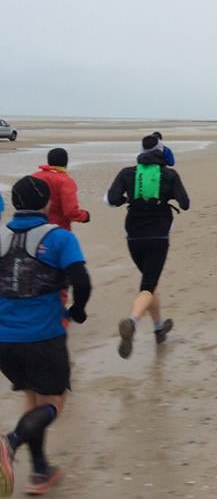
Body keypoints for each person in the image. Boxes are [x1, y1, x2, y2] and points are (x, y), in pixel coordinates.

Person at [0, 176, 92, 496]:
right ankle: (9, 441)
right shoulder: (59, 238)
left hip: (4, 341)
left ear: (15, 203)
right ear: (47, 203)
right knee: (53, 402)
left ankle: (40, 472)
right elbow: (82, 281)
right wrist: (78, 310)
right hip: (43, 336)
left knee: (32, 398)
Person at [107, 135, 188, 358]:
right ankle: (132, 322)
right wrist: (168, 194)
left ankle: (159, 329)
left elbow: (112, 198)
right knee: (148, 286)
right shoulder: (169, 174)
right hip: (158, 237)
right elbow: (185, 203)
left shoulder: (127, 173)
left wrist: (127, 199)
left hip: (133, 237)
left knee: (150, 283)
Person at [30, 149, 90, 232]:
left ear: (49, 161)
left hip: (34, 227)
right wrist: (85, 216)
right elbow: (70, 211)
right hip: (58, 229)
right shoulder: (65, 181)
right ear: (66, 162)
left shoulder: (33, 177)